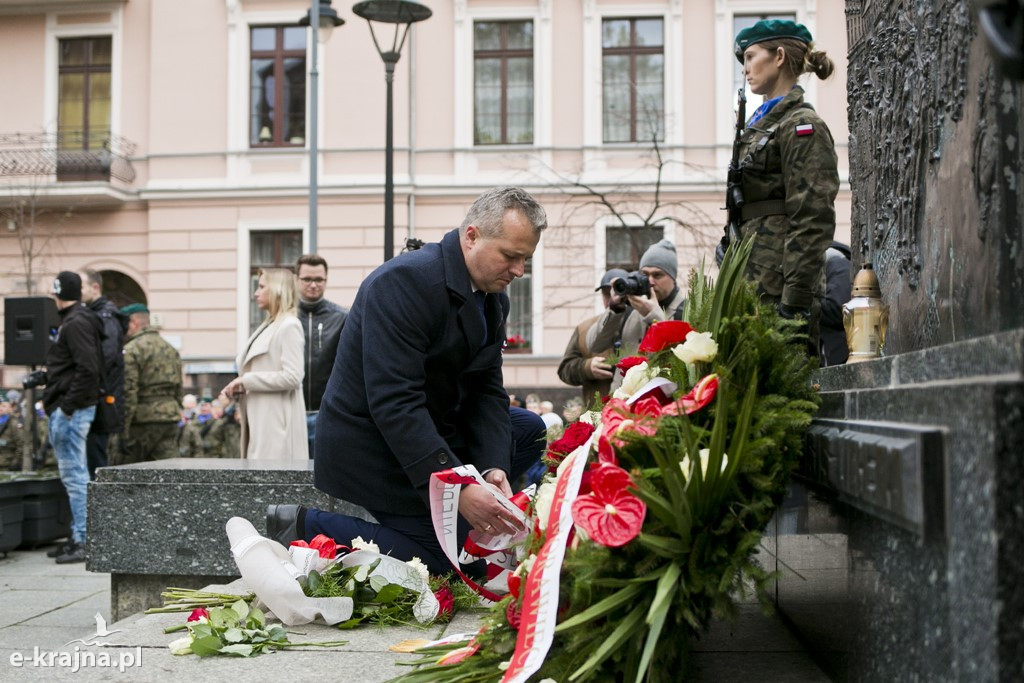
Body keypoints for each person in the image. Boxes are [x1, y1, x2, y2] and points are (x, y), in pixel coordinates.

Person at [267, 186, 549, 577]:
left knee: (531, 430)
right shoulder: (404, 282)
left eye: (526, 259)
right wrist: (458, 490)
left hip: (434, 429)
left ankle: (441, 513)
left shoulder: (492, 296)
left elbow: (487, 390)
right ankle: (305, 524)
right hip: (373, 445)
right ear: (471, 237)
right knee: (449, 566)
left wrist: (491, 469)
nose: (519, 271)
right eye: (511, 256)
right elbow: (394, 403)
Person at [730, 19, 839, 356]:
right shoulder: (763, 123)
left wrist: (795, 301)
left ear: (778, 56)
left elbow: (812, 219)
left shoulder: (801, 125)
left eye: (750, 56)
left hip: (780, 289)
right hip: (753, 279)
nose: (746, 69)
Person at [23, 272, 102, 564]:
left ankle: (82, 539)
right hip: (72, 408)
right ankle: (77, 536)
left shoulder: (76, 322)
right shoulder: (79, 319)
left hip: (71, 411)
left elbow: (87, 370)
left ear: (57, 293)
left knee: (74, 476)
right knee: (74, 476)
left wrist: (66, 407)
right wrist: (45, 377)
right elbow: (75, 367)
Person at [220, 268, 307, 460]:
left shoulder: (289, 325)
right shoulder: (271, 325)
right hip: (262, 420)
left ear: (277, 289)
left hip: (278, 424)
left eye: (261, 287)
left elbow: (293, 376)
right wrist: (242, 384)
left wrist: (246, 381)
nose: (256, 293)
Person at [114, 303, 182, 465]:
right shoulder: (170, 349)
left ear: (133, 323)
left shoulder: (132, 349)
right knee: (170, 474)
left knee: (124, 475)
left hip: (142, 421)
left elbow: (129, 391)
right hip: (169, 417)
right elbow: (178, 388)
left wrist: (122, 431)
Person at [295, 254, 348, 458]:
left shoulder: (341, 317)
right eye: (307, 279)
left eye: (319, 280)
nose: (313, 285)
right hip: (292, 416)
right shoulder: (286, 317)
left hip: (326, 415)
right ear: (296, 279)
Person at [557, 268, 635, 404]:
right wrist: (586, 368)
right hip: (597, 414)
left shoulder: (642, 324)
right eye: (606, 294)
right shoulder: (585, 329)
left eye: (618, 292)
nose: (613, 298)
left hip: (636, 412)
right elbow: (564, 370)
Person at [79, 269, 127, 479]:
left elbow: (103, 359)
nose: (77, 292)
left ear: (95, 287)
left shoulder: (106, 317)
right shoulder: (93, 314)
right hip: (95, 398)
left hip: (100, 401)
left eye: (81, 286)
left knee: (95, 460)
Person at [619, 240, 688, 350]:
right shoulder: (632, 308)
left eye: (657, 275)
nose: (650, 281)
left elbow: (680, 359)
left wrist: (652, 315)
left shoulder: (686, 313)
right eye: (645, 274)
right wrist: (613, 309)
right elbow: (595, 345)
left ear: (673, 277)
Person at [819, 241, 852, 366]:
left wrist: (800, 304)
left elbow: (838, 308)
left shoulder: (838, 264)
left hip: (839, 357)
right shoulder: (833, 264)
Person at [0, 390, 29, 471]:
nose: (0, 408)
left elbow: (21, 445)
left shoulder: (14, 422)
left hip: (6, 466)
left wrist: (13, 465)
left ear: (10, 407)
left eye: (3, 406)